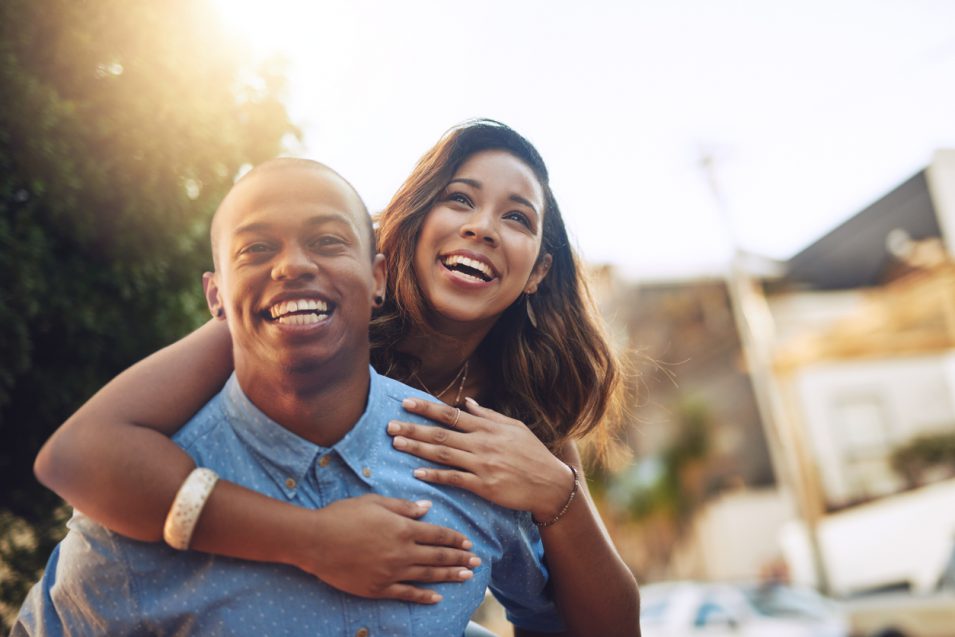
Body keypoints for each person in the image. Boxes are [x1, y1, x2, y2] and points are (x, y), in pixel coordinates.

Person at [31, 120, 640, 635]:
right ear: (408, 228)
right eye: (459, 198)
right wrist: (313, 540)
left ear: (537, 270)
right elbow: (82, 455)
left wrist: (556, 493)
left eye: (516, 217)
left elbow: (608, 624)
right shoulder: (308, 321)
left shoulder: (520, 419)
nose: (481, 226)